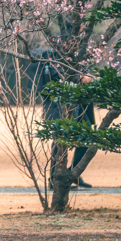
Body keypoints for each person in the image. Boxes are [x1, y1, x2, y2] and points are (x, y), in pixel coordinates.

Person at [35, 48, 94, 189]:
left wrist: (87, 77)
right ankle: (55, 180)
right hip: (59, 105)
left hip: (78, 104)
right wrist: (79, 78)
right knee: (59, 142)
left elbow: (84, 72)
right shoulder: (53, 54)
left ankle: (73, 173)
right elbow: (54, 76)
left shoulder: (79, 52)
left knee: (87, 138)